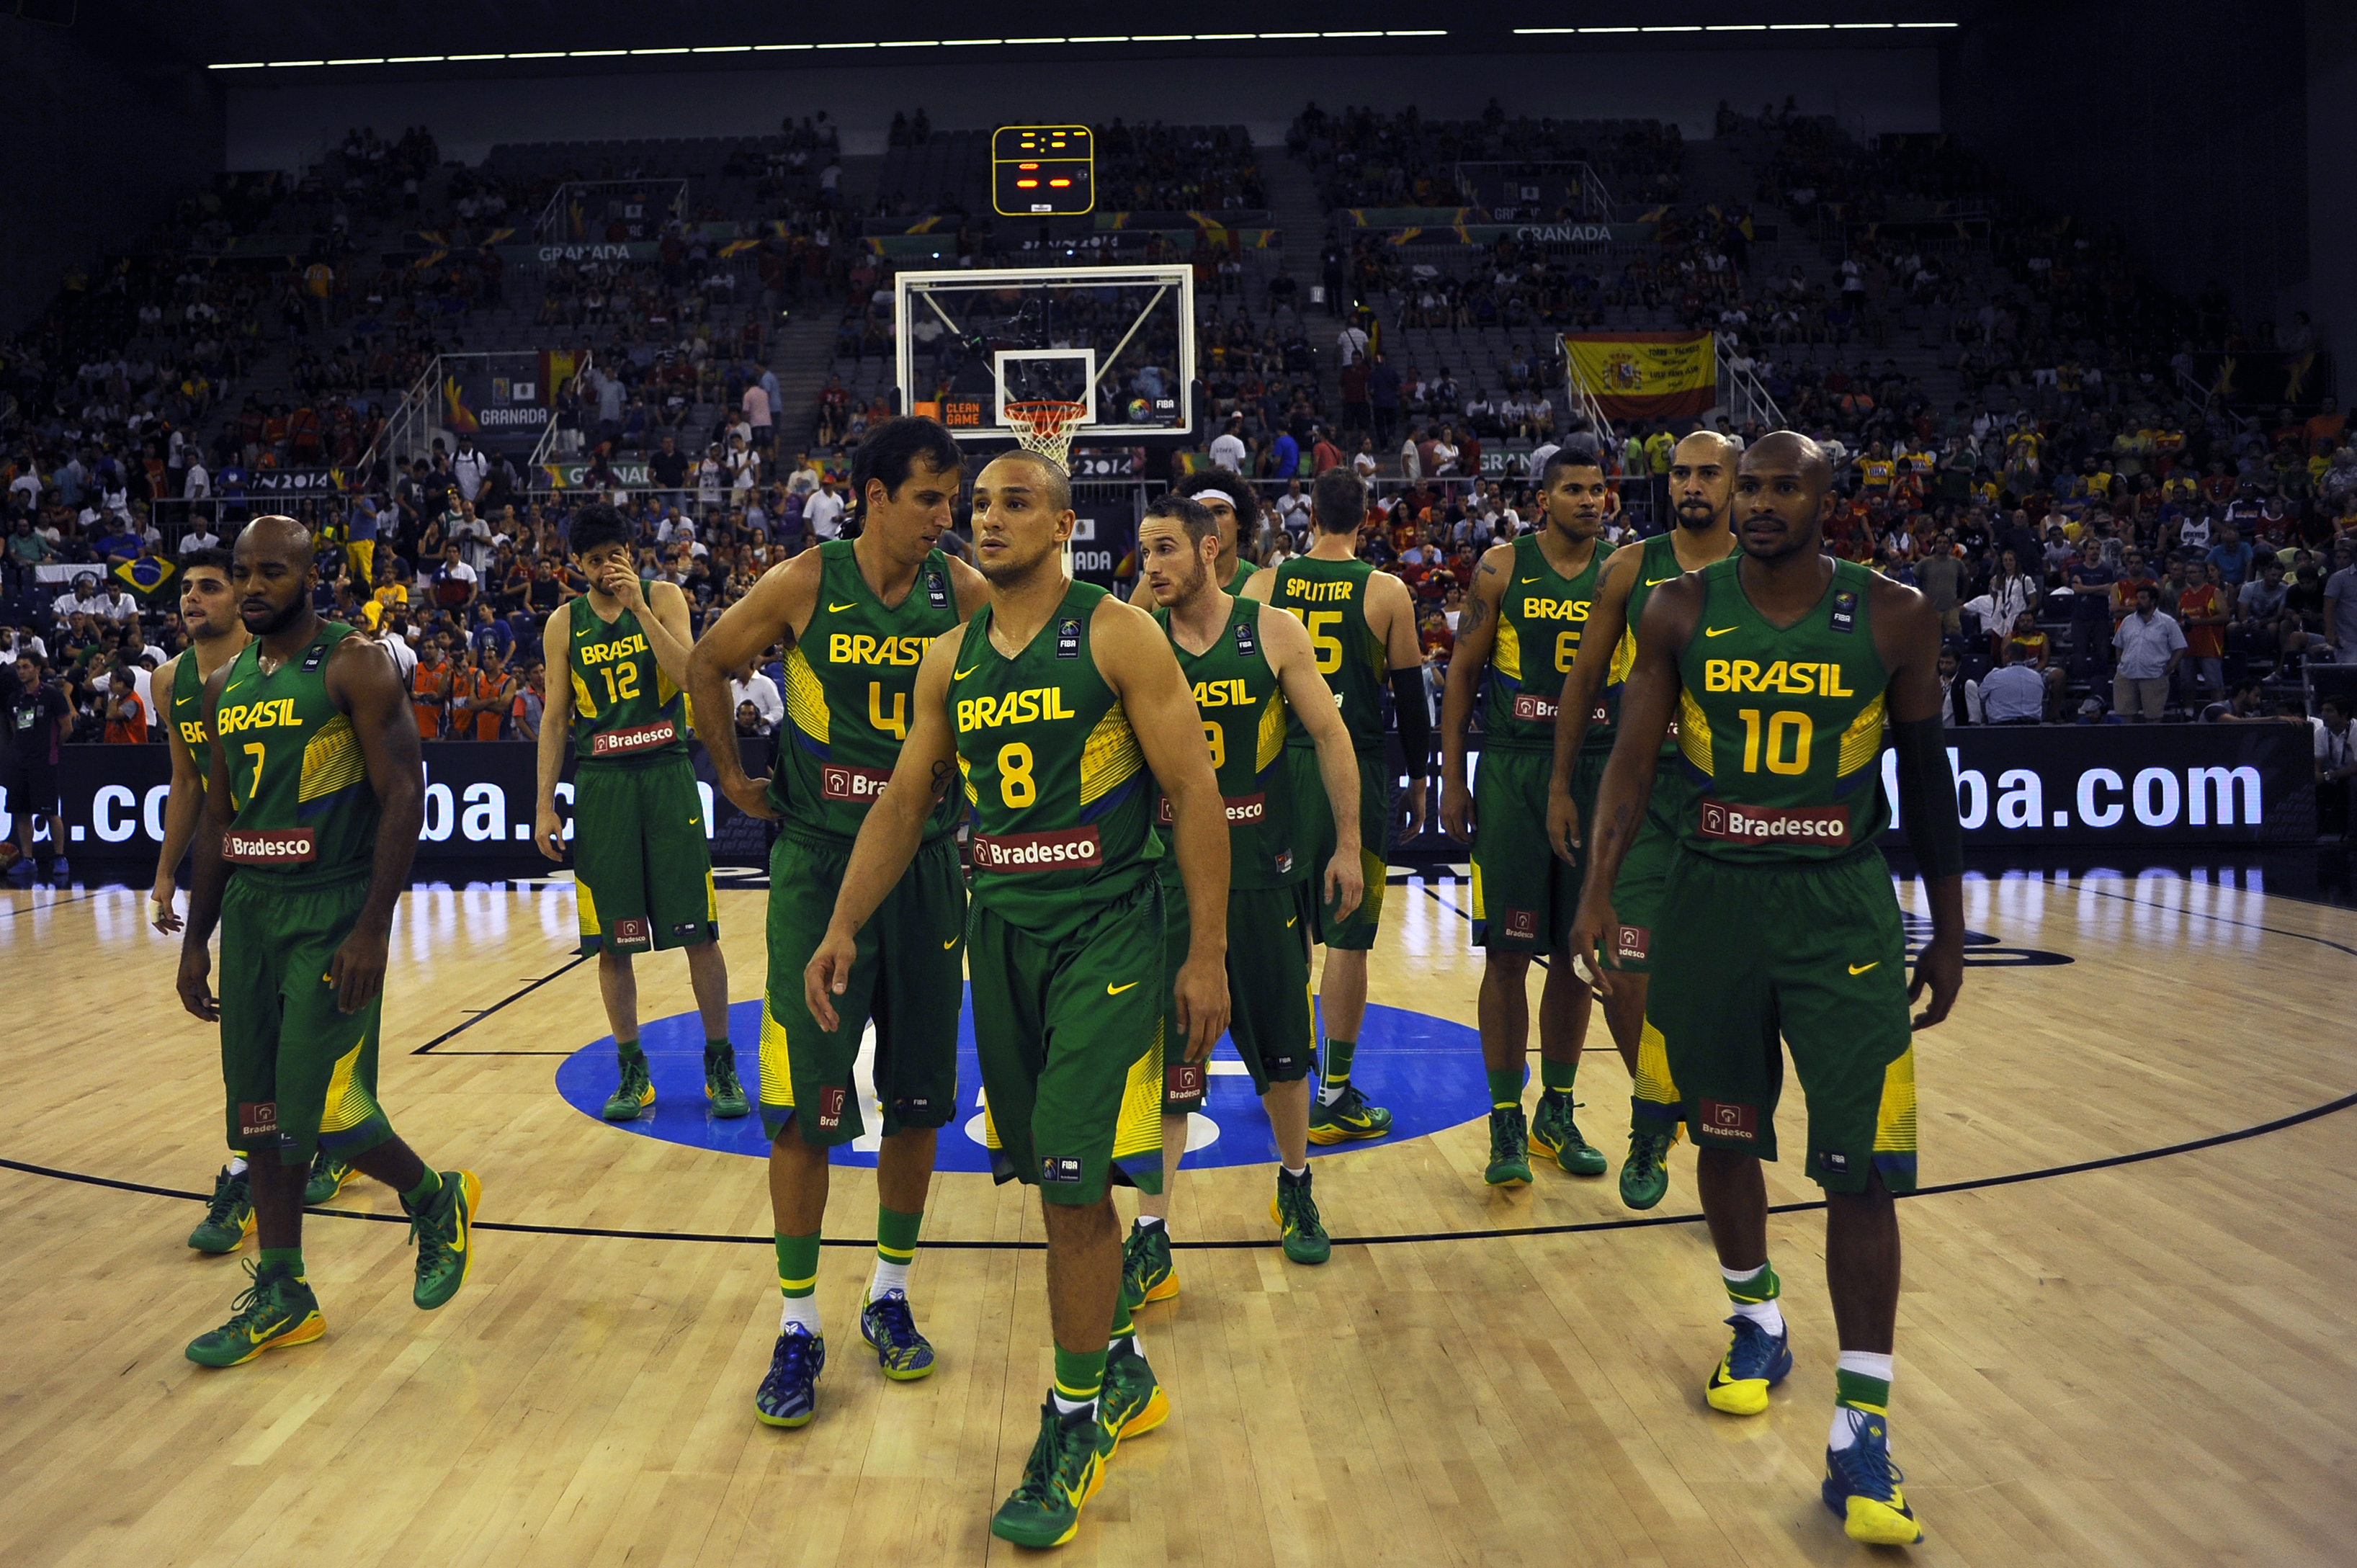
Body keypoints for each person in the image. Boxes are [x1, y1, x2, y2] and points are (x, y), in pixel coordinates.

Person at [802, 445, 1230, 1548]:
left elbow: (1193, 793)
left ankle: (1073, 1419)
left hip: (1109, 934)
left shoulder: (1116, 632)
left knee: (1076, 1190)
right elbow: (905, 802)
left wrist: (1207, 955)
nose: (986, 519)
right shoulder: (947, 659)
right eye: (978, 504)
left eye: (1014, 502)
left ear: (1064, 523)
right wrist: (842, 922)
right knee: (1053, 1184)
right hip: (1001, 932)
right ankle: (1121, 1368)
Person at [1568, 431, 1964, 1548]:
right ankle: (1757, 1317)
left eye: (1786, 485)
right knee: (1726, 1137)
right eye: (1751, 485)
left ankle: (1862, 1430)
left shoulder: (1891, 615)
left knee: (1863, 1171)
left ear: (1827, 498)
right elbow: (1634, 764)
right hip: (1711, 903)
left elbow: (1926, 777)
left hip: (1840, 910)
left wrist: (1949, 923)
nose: (1761, 502)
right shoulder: (1680, 611)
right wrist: (1598, 891)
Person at [684, 418, 988, 1430]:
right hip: (818, 860)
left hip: (928, 869)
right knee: (804, 1107)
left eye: (956, 501)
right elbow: (707, 662)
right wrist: (732, 775)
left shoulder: (969, 596)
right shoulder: (803, 583)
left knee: (915, 1103)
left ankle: (888, 1293)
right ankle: (800, 1322)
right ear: (872, 496)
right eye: (930, 500)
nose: (949, 519)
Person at [172, 515, 479, 1367]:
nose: (253, 585)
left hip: (332, 910)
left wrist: (374, 926)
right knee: (260, 1118)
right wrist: (196, 940)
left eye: (271, 570)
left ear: (311, 572)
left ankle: (433, 1197)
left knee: (323, 1114)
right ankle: (284, 1290)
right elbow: (220, 820)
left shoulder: (355, 661)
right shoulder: (222, 683)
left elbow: (404, 791)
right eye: (242, 572)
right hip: (253, 916)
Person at [1124, 491, 1367, 1302]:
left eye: (1164, 549)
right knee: (1168, 1059)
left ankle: (1295, 1179)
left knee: (1283, 1052)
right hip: (1162, 876)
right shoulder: (1131, 636)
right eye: (1142, 551)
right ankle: (1151, 1232)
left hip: (1260, 870)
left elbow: (1330, 735)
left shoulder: (1270, 631)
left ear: (1208, 550)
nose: (1149, 565)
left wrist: (1348, 844)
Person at [1542, 431, 1742, 1209]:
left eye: (1707, 473)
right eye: (1680, 472)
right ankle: (1652, 1117)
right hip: (1643, 794)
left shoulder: (1763, 568)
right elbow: (1583, 680)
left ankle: (1723, 1135)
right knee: (1623, 970)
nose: (1691, 484)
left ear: (1736, 483)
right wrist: (1561, 784)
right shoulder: (1630, 566)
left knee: (1727, 987)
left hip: (1730, 800)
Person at [533, 503, 742, 1123]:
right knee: (610, 943)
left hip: (666, 772)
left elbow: (689, 676)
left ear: (631, 550)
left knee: (698, 933)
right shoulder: (562, 622)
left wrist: (641, 609)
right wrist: (544, 803)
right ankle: (634, 1071)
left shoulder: (666, 598)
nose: (605, 569)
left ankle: (720, 1063)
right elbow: (553, 717)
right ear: (577, 564)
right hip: (601, 784)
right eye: (594, 561)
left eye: (614, 556)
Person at [1440, 450, 1614, 1186]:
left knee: (1581, 956)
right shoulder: (1500, 566)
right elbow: (1461, 672)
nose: (1587, 500)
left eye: (1596, 489)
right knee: (1506, 956)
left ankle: (1558, 1110)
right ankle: (1505, 1116)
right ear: (1542, 499)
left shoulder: (1624, 568)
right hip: (1513, 767)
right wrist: (1451, 775)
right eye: (1572, 489)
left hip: (1597, 769)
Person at [1243, 467, 1429, 1145]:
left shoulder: (1264, 583)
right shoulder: (1386, 591)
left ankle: (1283, 1076)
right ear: (1367, 518)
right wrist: (1419, 779)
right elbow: (1411, 697)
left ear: (1310, 511)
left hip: (1278, 772)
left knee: (1283, 937)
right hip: (1353, 768)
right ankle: (1333, 1091)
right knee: (1349, 939)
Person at [1126, 471, 1260, 605]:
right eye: (1202, 514)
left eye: (1220, 512)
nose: (1211, 522)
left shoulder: (1261, 582)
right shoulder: (1159, 581)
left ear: (1240, 520)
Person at [2, 653, 70, 876]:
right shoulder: (14, 698)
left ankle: (60, 857)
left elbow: (66, 727)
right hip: (20, 762)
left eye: (26, 667)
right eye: (19, 667)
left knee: (51, 812)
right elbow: (15, 728)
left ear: (37, 669)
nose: (21, 671)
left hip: (44, 762)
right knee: (22, 812)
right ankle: (28, 859)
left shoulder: (52, 695)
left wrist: (50, 747)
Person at [2111, 586, 2186, 721]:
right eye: (2137, 598)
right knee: (2124, 716)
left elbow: (2180, 647)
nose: (2138, 601)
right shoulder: (2128, 621)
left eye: (2143, 598)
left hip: (2154, 675)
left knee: (2153, 718)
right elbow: (2119, 645)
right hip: (2126, 675)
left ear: (2153, 601)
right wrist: (2121, 664)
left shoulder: (2167, 622)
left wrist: (2170, 668)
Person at [2316, 694, 2356, 842]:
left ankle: (2353, 836)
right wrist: (2316, 775)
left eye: (2329, 711)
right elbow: (2318, 761)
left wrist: (2327, 776)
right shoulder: (2321, 732)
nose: (2323, 715)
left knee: (2354, 783)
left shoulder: (2356, 730)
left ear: (2344, 714)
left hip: (2351, 773)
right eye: (2323, 710)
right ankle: (2308, 831)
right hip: (2334, 774)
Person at [1977, 641, 2048, 723]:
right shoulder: (2037, 677)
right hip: (2033, 728)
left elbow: (1980, 695)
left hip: (2001, 729)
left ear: (2008, 656)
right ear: (2026, 657)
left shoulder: (1995, 676)